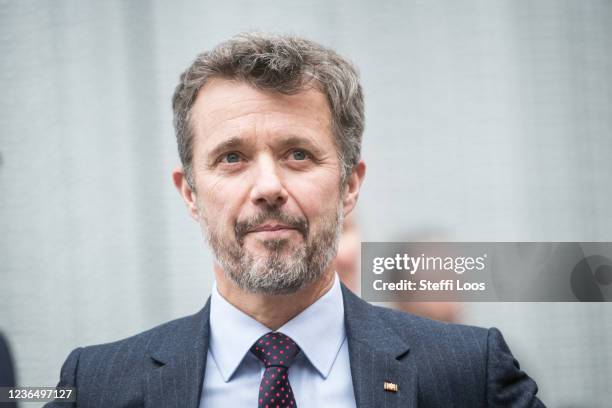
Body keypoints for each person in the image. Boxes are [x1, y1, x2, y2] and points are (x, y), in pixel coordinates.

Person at [46, 33, 544, 407]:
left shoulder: (468, 372)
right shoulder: (94, 383)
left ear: (350, 185)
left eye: (299, 154)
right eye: (232, 157)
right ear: (190, 194)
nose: (267, 188)